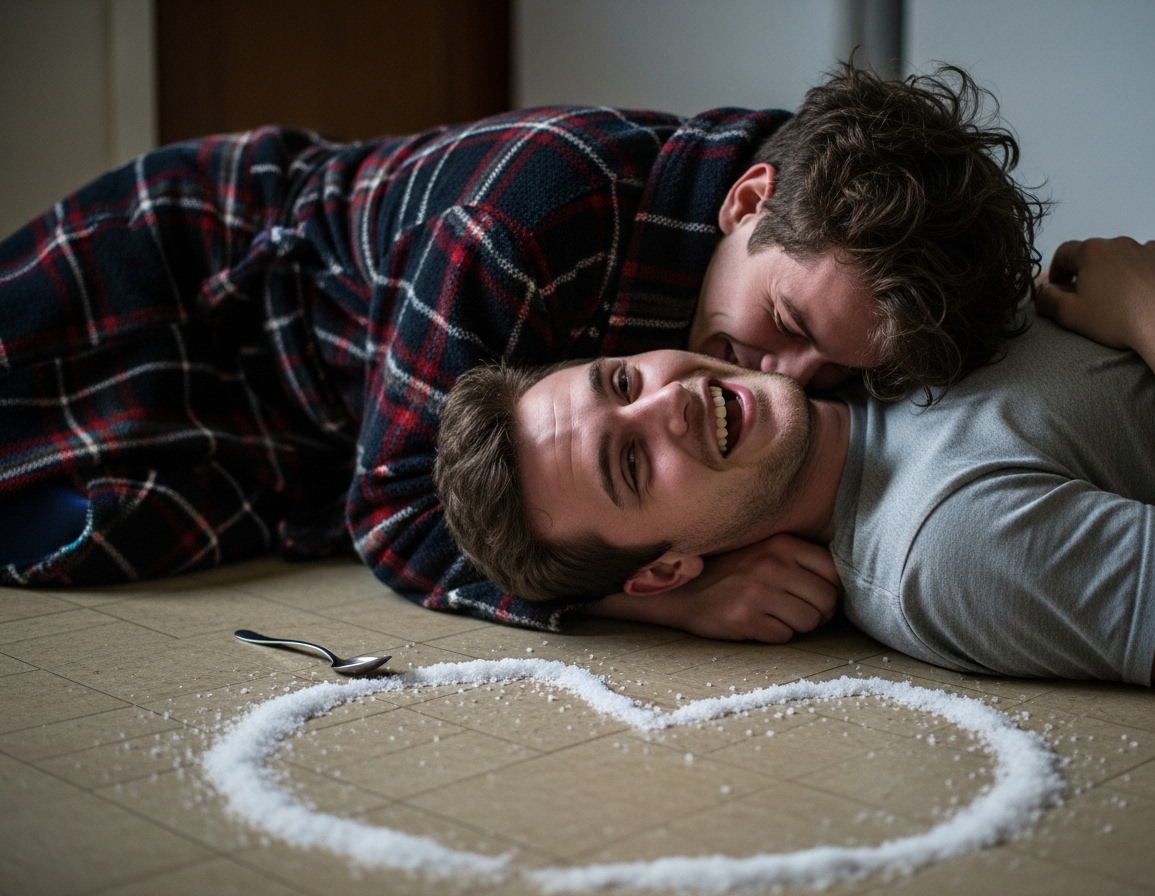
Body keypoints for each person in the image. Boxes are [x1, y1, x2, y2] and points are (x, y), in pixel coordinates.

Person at [0, 62, 1041, 635]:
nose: (786, 383)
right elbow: (397, 508)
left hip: (311, 438)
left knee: (86, 540)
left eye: (839, 374)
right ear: (746, 200)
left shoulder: (828, 255)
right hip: (195, 264)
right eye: (790, 329)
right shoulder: (530, 214)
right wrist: (661, 601)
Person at [436, 237, 1155, 683]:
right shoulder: (947, 547)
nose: (669, 402)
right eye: (631, 464)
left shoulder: (855, 334)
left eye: (623, 381)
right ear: (663, 573)